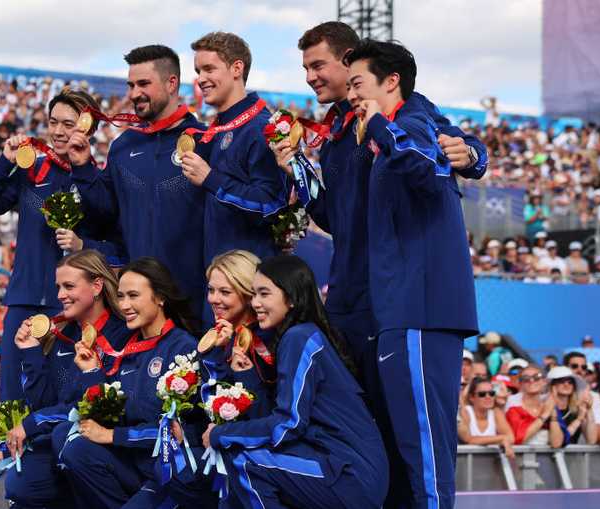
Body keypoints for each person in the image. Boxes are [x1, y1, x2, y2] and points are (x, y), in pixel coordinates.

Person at [344, 39, 479, 509]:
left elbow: (426, 167)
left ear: (391, 81)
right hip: (400, 307)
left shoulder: (409, 123)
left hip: (420, 306)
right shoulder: (406, 121)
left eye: (358, 83)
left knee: (423, 444)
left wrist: (379, 123)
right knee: (411, 443)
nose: (351, 94)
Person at [201, 255, 388, 508]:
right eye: (254, 294)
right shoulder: (299, 335)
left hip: (349, 474)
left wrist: (221, 434)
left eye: (264, 294)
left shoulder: (299, 337)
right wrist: (244, 376)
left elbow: (289, 424)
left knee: (243, 460)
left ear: (290, 298)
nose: (255, 303)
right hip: (339, 468)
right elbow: (275, 419)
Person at [0, 88, 120, 403]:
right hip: (24, 299)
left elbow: (116, 243)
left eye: (70, 124)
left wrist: (82, 244)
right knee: (13, 399)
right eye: (54, 122)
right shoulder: (32, 170)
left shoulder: (99, 178)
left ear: (88, 127)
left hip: (71, 308)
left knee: (61, 398)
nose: (60, 131)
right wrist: (4, 162)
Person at [67, 45, 208, 326]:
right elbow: (106, 211)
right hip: (136, 302)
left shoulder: (204, 140)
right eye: (131, 85)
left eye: (143, 83)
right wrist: (83, 167)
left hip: (192, 300)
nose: (133, 93)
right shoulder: (123, 146)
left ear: (172, 84)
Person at [54, 257, 207, 508]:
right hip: (134, 463)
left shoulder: (183, 349)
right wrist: (92, 372)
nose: (124, 305)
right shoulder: (125, 348)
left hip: (169, 470)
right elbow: (108, 414)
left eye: (133, 296)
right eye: (121, 296)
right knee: (76, 448)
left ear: (159, 298)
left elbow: (175, 432)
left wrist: (112, 435)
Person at [5, 250, 133, 508]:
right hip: (63, 439)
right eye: (58, 287)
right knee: (20, 484)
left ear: (97, 286)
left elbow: (103, 407)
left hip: (107, 443)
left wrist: (33, 423)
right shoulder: (63, 336)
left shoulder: (123, 334)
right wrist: (31, 351)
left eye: (69, 286)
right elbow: (44, 402)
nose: (61, 295)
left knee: (65, 439)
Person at [182, 32, 287, 266]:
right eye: (199, 71)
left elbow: (270, 206)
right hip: (217, 275)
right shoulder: (219, 127)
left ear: (237, 68)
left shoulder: (261, 128)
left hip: (249, 282)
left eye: (209, 69)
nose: (201, 78)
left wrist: (211, 179)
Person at [198, 250, 275, 418]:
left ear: (248, 294)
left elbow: (264, 412)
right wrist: (219, 350)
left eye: (225, 292)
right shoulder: (219, 336)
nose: (213, 299)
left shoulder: (265, 339)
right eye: (211, 290)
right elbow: (208, 405)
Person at [504, 365, 563, 447]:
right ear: (520, 384)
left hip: (545, 459)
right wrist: (545, 414)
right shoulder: (513, 409)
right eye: (526, 379)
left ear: (544, 382)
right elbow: (518, 439)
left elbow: (557, 443)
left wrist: (552, 413)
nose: (531, 380)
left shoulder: (549, 406)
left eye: (537, 377)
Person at [457, 377, 515, 458]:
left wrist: (502, 439)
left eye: (491, 393)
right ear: (472, 397)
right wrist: (501, 439)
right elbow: (468, 439)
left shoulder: (496, 412)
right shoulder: (466, 412)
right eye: (482, 394)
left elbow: (510, 437)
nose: (488, 397)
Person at [547, 366, 597, 445]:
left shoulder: (576, 410)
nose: (566, 384)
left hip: (572, 456)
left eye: (570, 382)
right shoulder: (545, 409)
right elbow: (559, 441)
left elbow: (592, 440)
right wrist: (579, 420)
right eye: (561, 381)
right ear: (552, 385)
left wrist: (589, 410)